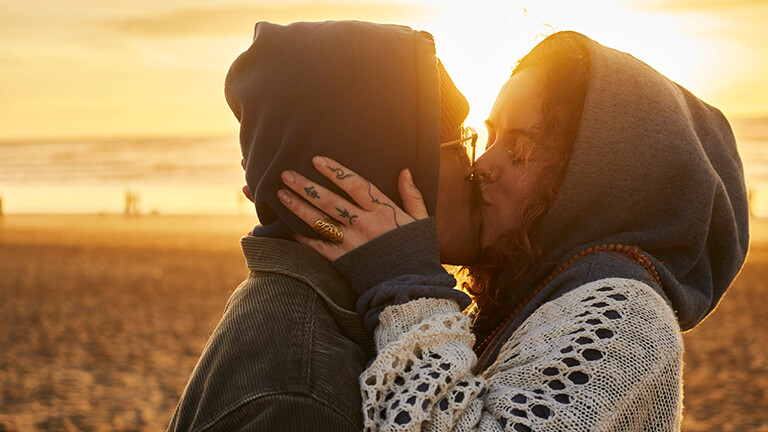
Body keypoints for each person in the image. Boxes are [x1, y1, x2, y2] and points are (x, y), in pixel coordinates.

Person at [280, 31, 749, 430]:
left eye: (520, 151)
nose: (482, 164)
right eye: (490, 137)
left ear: (599, 181)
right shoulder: (539, 292)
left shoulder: (627, 318)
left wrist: (404, 285)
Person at [167, 20, 479, 431]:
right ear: (377, 171)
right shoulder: (304, 395)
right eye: (459, 143)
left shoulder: (309, 306)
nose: (475, 169)